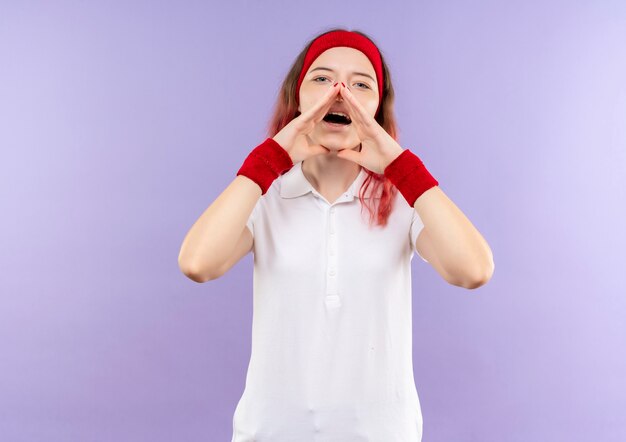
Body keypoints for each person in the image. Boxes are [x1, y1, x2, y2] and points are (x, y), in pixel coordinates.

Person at [178, 27, 494, 442]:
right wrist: (267, 161)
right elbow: (197, 263)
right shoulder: (264, 194)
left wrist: (404, 170)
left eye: (360, 84)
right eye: (322, 78)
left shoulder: (405, 200)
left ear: (377, 107)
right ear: (298, 97)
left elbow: (473, 270)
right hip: (270, 432)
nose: (339, 91)